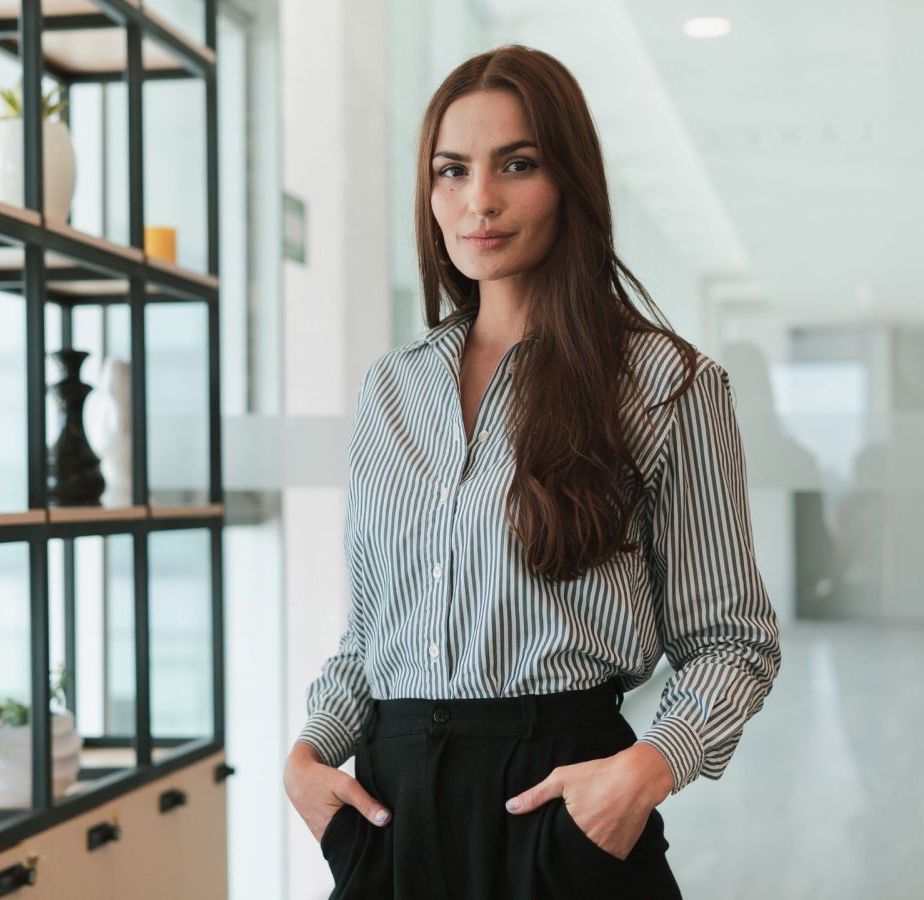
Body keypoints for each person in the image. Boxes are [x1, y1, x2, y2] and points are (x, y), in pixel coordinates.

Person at [282, 43, 782, 900]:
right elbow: (372, 635)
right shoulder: (390, 389)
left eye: (517, 164)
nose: (479, 200)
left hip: (558, 805)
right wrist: (308, 755)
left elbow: (732, 641)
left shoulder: (666, 385)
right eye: (452, 170)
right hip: (391, 817)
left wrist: (648, 770)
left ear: (570, 181)